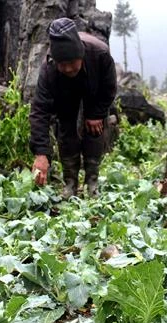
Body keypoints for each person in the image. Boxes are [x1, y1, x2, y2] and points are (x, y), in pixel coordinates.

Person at [29, 17, 117, 199]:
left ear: (81, 55)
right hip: (65, 94)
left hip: (93, 86)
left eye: (72, 62)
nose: (68, 69)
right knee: (66, 126)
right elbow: (39, 111)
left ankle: (92, 180)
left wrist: (96, 114)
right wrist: (41, 153)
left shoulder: (100, 54)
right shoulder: (49, 70)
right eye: (63, 64)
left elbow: (109, 88)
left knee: (94, 127)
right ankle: (70, 182)